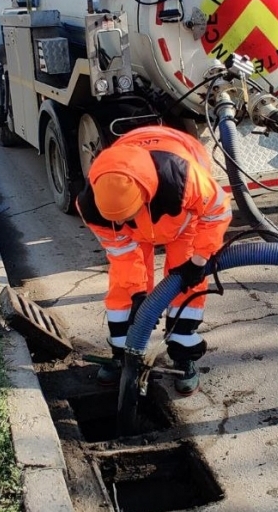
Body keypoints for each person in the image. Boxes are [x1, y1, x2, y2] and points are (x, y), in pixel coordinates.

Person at [76, 126, 232, 395]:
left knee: (186, 282)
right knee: (123, 285)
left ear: (143, 198)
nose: (121, 222)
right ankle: (124, 354)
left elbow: (217, 211)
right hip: (138, 228)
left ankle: (183, 354)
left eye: (126, 215)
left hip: (182, 219)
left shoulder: (184, 177)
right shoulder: (91, 205)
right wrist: (138, 293)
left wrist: (199, 259)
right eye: (116, 220)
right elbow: (122, 254)